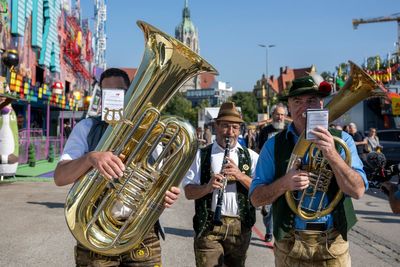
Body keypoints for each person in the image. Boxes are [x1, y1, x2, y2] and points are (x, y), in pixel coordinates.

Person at [54, 68, 180, 267]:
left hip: (141, 233)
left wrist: (164, 194)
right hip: (94, 231)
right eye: (108, 93)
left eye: (121, 92)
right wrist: (90, 158)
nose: (115, 97)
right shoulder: (87, 128)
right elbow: (60, 177)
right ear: (101, 97)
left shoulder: (152, 131)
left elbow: (160, 182)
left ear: (131, 93)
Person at [250, 76, 368, 266]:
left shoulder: (342, 141)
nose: (304, 107)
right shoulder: (273, 146)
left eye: (311, 100)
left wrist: (332, 154)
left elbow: (358, 191)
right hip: (289, 244)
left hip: (333, 243)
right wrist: (284, 183)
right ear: (289, 106)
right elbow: (256, 199)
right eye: (297, 101)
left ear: (321, 104)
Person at [182, 102, 259, 267]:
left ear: (239, 129)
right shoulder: (200, 155)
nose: (230, 132)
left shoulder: (251, 156)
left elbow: (261, 191)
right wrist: (207, 187)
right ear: (216, 126)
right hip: (209, 226)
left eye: (235, 127)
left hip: (240, 227)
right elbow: (188, 192)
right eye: (225, 126)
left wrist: (239, 175)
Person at [257, 102, 288, 243]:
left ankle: (275, 233)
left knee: (281, 206)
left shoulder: (289, 130)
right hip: (269, 174)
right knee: (267, 209)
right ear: (272, 115)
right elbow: (259, 151)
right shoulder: (265, 131)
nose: (280, 117)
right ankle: (269, 229)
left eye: (282, 114)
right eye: (277, 114)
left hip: (286, 173)